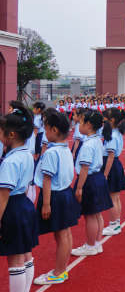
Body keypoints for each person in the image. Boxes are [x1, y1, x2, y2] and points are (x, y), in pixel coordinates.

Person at [33, 113, 80, 285]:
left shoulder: (52, 152)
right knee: (65, 234)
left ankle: (58, 272)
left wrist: (46, 204)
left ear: (54, 130)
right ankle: (63, 269)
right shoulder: (65, 148)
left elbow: (47, 179)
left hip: (55, 196)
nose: (44, 133)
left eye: (45, 129)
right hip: (65, 193)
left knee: (61, 236)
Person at [0, 105, 39, 292]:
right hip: (24, 205)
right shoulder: (26, 154)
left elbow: (3, 194)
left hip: (12, 208)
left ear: (12, 135)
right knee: (26, 254)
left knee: (15, 259)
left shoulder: (10, 161)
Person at [71, 110, 113, 256]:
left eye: (81, 122)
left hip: (89, 180)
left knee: (89, 215)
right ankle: (96, 243)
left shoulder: (88, 144)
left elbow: (84, 167)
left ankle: (90, 246)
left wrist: (79, 187)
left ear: (88, 125)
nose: (78, 125)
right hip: (98, 178)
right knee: (97, 214)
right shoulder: (96, 140)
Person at [101, 108, 125, 236]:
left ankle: (113, 225)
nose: (102, 121)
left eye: (104, 119)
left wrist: (105, 174)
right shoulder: (116, 133)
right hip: (115, 165)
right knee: (116, 198)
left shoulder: (112, 136)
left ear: (111, 121)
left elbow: (110, 156)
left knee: (112, 198)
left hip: (111, 165)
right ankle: (116, 224)